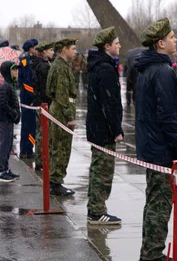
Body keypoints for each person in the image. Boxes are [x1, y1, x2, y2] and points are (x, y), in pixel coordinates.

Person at [134, 18, 177, 261]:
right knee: (160, 204)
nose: (176, 40)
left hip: (151, 146)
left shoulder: (147, 70)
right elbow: (167, 116)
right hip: (162, 150)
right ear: (160, 43)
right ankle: (153, 255)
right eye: (172, 36)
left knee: (153, 201)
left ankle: (150, 250)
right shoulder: (162, 72)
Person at [86, 28, 124, 225]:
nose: (119, 46)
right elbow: (109, 103)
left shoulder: (98, 65)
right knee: (103, 172)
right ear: (107, 46)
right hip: (104, 130)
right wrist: (116, 130)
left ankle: (94, 208)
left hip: (96, 128)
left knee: (97, 169)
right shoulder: (105, 68)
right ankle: (97, 211)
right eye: (116, 43)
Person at [46, 38, 78, 196]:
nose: (75, 51)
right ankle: (56, 182)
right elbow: (62, 95)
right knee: (61, 148)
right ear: (64, 50)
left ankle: (56, 180)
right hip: (61, 112)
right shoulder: (60, 67)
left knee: (59, 147)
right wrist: (70, 116)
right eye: (72, 48)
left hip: (59, 110)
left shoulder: (61, 65)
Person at [0, 61, 21, 183]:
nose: (16, 71)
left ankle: (5, 169)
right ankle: (0, 171)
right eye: (14, 69)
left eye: (17, 69)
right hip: (6, 120)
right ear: (7, 72)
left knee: (8, 145)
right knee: (4, 145)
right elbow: (3, 104)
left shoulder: (10, 84)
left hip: (9, 119)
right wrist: (13, 113)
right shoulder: (6, 86)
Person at [31, 42, 55, 171]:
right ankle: (41, 159)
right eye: (50, 50)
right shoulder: (44, 67)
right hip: (44, 104)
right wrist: (45, 103)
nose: (53, 52)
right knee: (43, 133)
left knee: (41, 132)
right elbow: (45, 88)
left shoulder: (40, 65)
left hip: (40, 103)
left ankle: (40, 158)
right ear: (44, 52)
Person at [18, 38, 39, 158]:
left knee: (27, 126)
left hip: (25, 96)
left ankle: (26, 149)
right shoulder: (26, 60)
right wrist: (32, 96)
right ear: (31, 48)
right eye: (36, 47)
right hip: (27, 98)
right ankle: (28, 150)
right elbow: (27, 81)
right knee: (30, 126)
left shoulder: (25, 58)